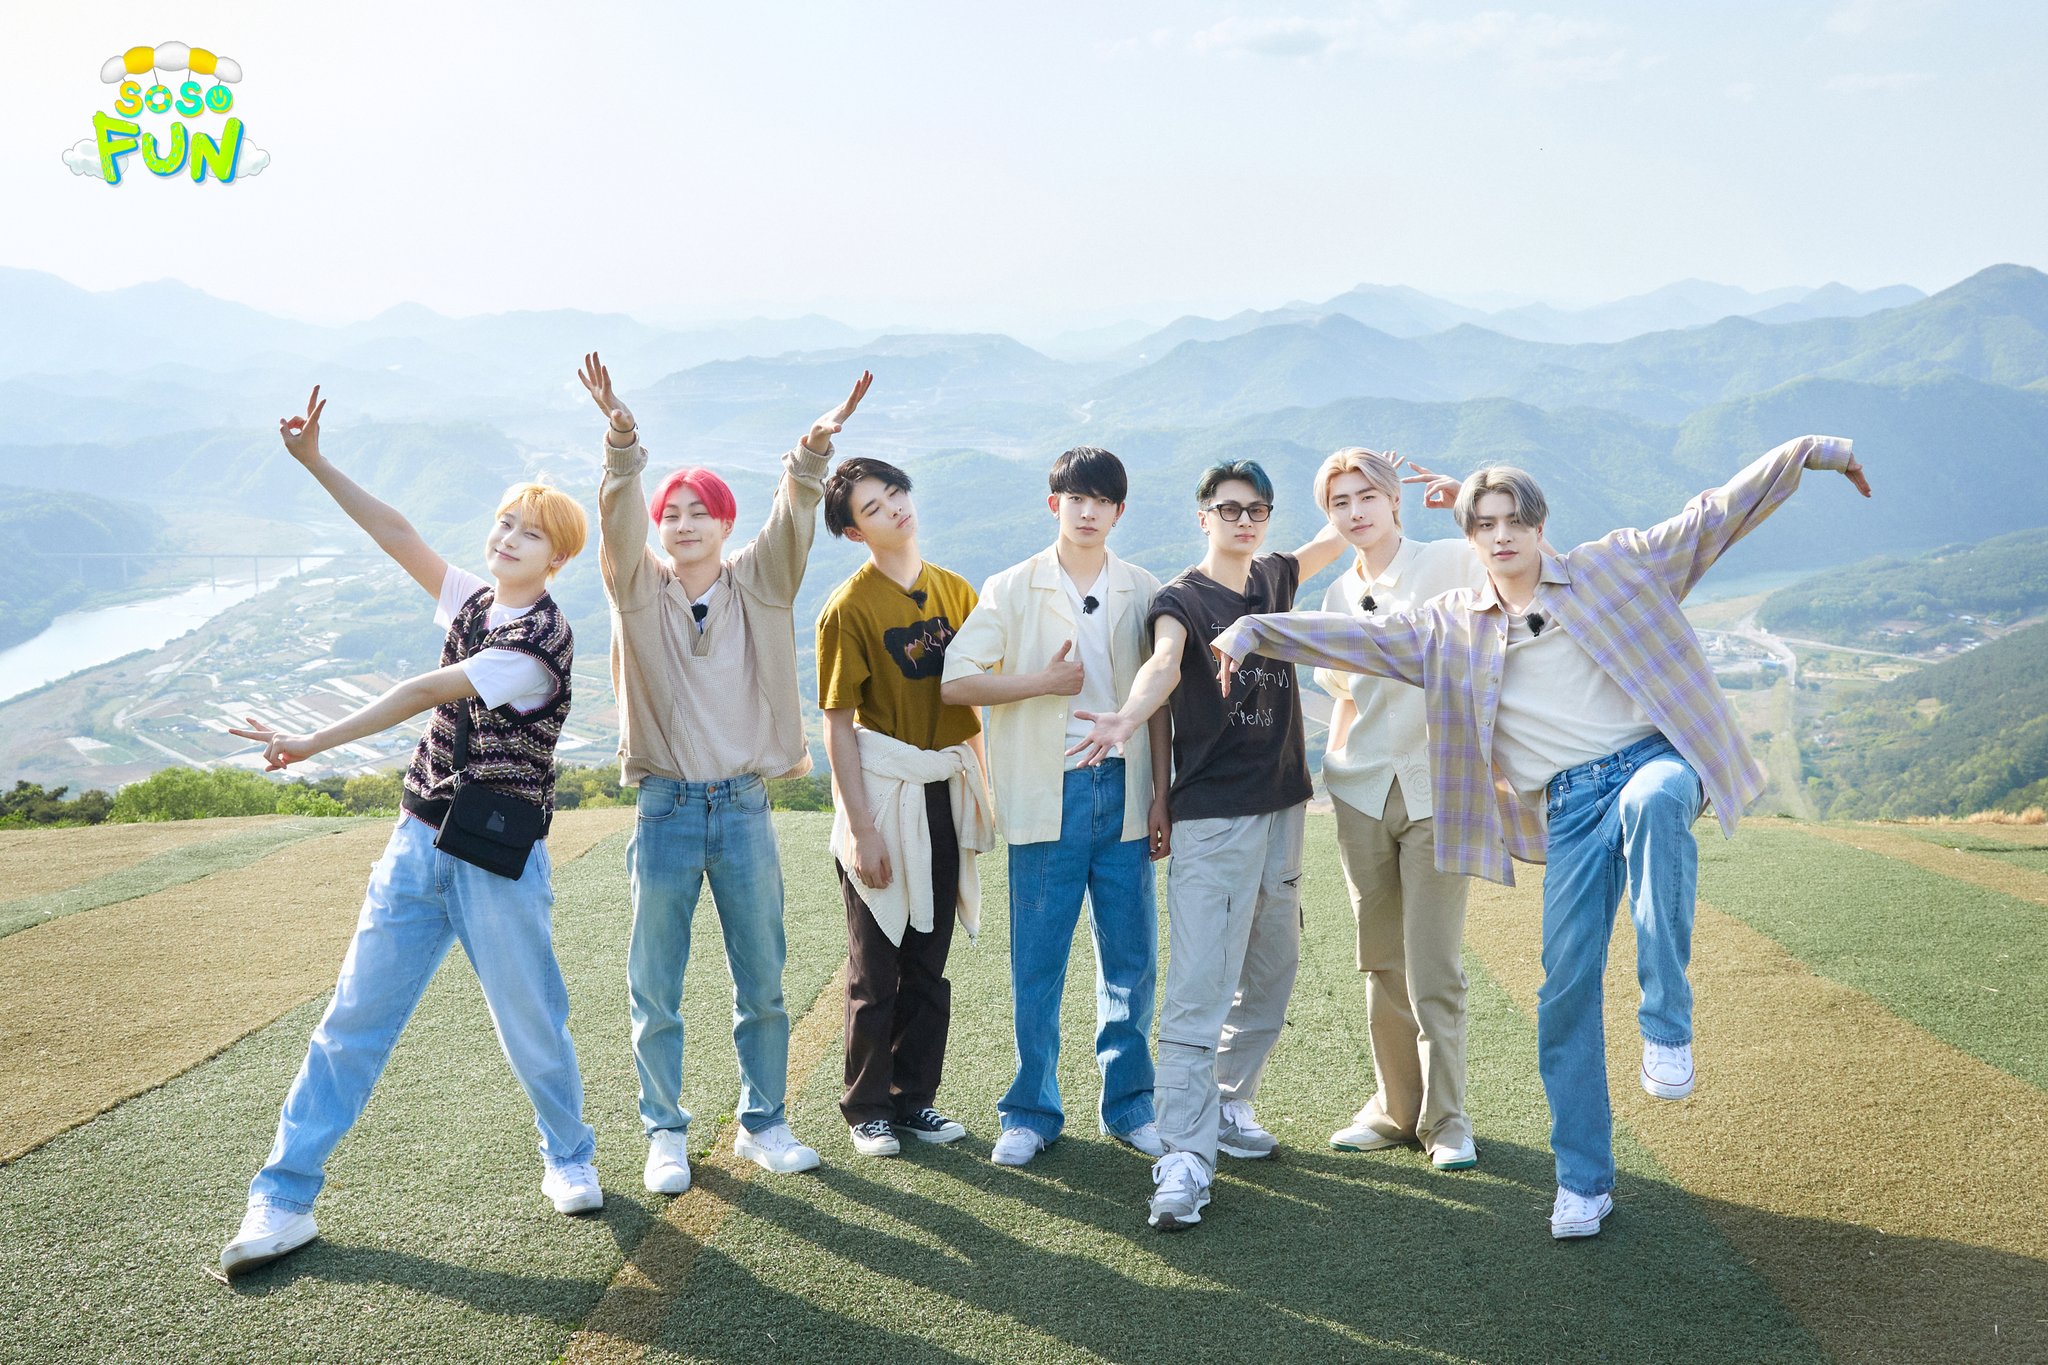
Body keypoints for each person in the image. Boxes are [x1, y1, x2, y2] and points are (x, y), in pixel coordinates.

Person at [1211, 435, 1872, 1239]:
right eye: (1485, 523)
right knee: (1562, 991)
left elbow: (1713, 516)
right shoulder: (1454, 626)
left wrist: (1816, 451)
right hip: (1569, 804)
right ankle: (1584, 1182)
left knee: (1656, 803)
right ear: (1471, 536)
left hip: (1651, 760)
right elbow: (1363, 642)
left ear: (1539, 524)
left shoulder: (1613, 568)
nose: (1501, 535)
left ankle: (1666, 1021)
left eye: (1514, 520)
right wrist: (1256, 631)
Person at [220, 386, 598, 1277]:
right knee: (351, 1019)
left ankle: (569, 1155)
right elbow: (397, 534)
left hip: (496, 859)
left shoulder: (541, 641)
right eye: (505, 522)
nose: (509, 538)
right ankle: (283, 1195)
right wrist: (316, 461)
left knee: (531, 1022)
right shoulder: (473, 599)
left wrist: (309, 740)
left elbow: (425, 692)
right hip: (416, 842)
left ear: (558, 557)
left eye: (531, 533)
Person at [577, 353, 872, 1195]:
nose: (682, 523)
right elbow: (617, 518)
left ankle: (763, 1123)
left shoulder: (762, 584)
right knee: (655, 989)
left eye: (698, 510)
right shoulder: (635, 587)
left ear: (725, 522)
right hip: (664, 810)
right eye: (670, 512)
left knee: (763, 983)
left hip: (744, 808)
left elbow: (793, 516)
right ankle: (664, 1135)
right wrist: (622, 441)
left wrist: (813, 449)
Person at [1068, 459, 1344, 1231]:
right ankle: (1184, 1157)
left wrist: (1374, 488)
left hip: (1284, 807)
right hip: (1214, 816)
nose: (1243, 520)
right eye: (1229, 508)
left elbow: (1338, 537)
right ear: (1204, 517)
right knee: (1198, 988)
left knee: (1272, 972)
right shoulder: (1181, 600)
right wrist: (1127, 721)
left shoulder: (1276, 577)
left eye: (1256, 509)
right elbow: (1162, 667)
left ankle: (1225, 1102)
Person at [939, 446, 1170, 1167]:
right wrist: (1043, 681)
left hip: (1125, 789)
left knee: (1131, 961)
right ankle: (1030, 1111)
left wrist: (1161, 794)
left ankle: (1130, 1104)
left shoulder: (1143, 588)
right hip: (1049, 792)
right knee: (1037, 964)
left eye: (1102, 500)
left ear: (1119, 511)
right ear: (1054, 505)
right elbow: (953, 681)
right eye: (1077, 498)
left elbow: (1160, 700)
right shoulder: (1011, 587)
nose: (1088, 511)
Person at [1309, 448, 1488, 1172]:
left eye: (1366, 496)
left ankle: (1447, 1121)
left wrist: (1470, 501)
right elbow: (1344, 695)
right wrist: (1336, 765)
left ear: (1394, 501)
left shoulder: (1448, 559)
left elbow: (1528, 567)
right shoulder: (1336, 596)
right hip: (1360, 791)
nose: (1355, 512)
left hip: (1437, 790)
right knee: (1381, 960)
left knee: (1434, 965)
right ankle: (1395, 1109)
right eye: (1340, 502)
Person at [816, 457, 995, 1157]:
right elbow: (838, 725)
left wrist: (985, 791)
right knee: (875, 964)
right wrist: (861, 830)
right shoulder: (848, 608)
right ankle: (866, 1107)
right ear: (854, 532)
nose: (894, 507)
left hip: (943, 790)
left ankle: (915, 1098)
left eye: (895, 492)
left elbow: (976, 701)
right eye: (872, 506)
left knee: (929, 959)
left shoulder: (956, 591)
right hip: (883, 793)